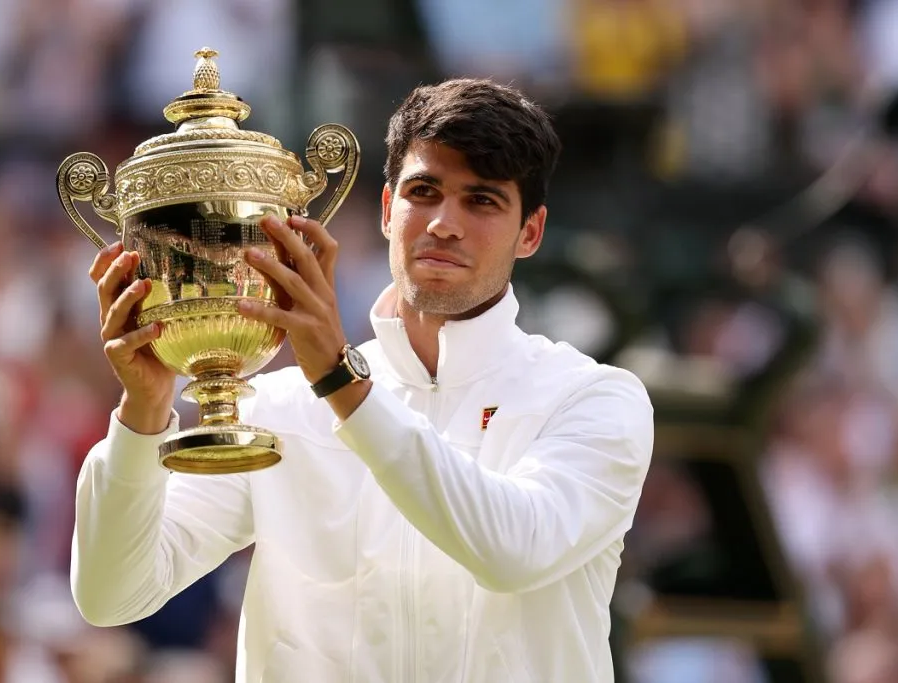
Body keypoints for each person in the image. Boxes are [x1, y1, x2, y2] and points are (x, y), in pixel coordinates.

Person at [71, 78, 655, 682]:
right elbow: (111, 594)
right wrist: (141, 415)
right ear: (385, 210)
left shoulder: (594, 398)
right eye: (423, 192)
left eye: (481, 201)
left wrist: (339, 380)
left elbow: (512, 551)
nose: (443, 224)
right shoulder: (276, 410)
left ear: (530, 232)